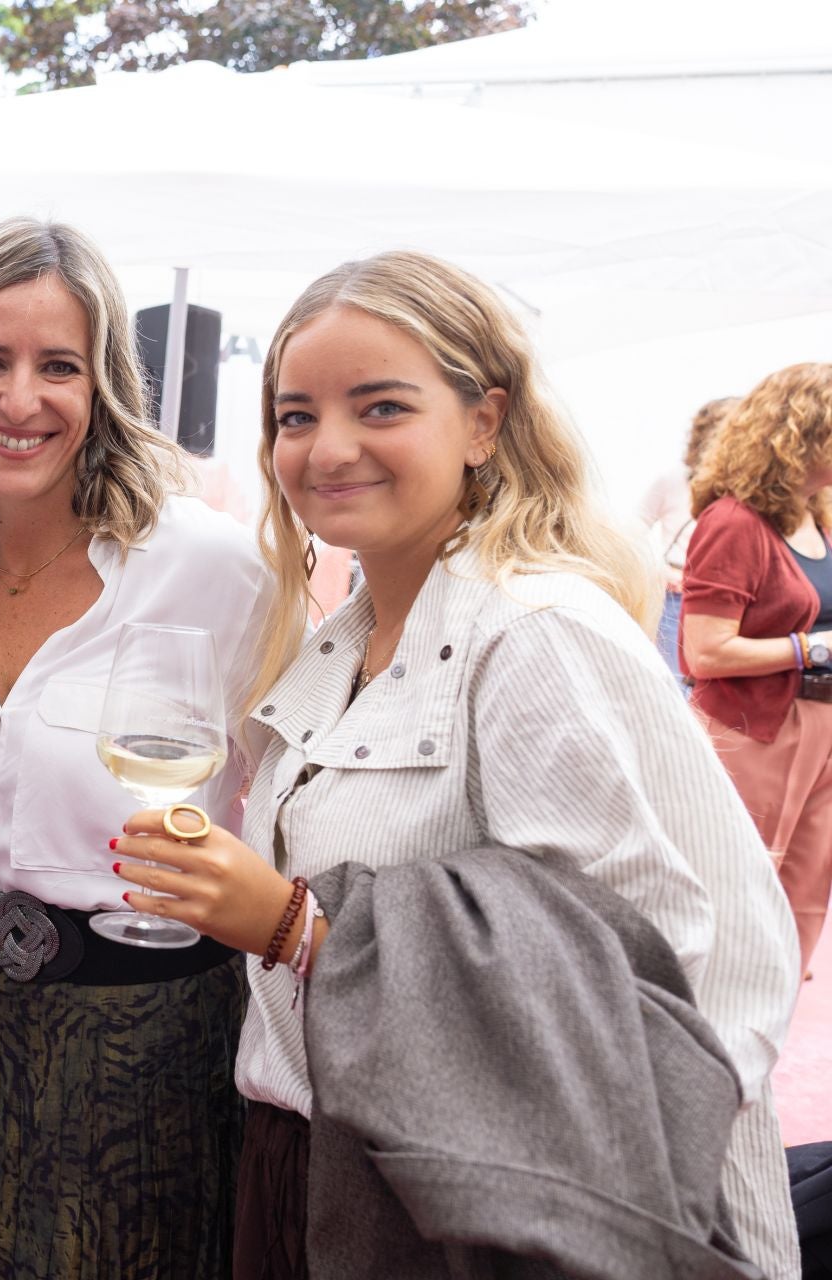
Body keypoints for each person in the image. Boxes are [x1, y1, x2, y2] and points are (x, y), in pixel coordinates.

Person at [107, 251, 801, 1278]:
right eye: (295, 416)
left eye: (380, 406)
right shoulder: (342, 637)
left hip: (462, 1208)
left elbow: (655, 987)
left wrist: (298, 927)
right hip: (312, 1167)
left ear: (484, 420)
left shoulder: (534, 636)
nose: (327, 446)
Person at [0, 217, 270, 1279]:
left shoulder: (210, 567)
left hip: (155, 1037)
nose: (20, 400)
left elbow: (295, 788)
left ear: (104, 388)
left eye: (60, 366)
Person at [683, 363, 832, 978]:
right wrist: (811, 650)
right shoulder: (735, 522)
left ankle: (762, 1031)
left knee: (803, 894)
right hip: (755, 731)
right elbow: (705, 653)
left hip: (818, 728)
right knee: (737, 886)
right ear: (803, 436)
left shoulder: (818, 517)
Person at [639, 395, 737, 674]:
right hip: (676, 595)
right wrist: (661, 572)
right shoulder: (673, 480)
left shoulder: (747, 489)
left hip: (726, 596)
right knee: (676, 679)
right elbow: (629, 534)